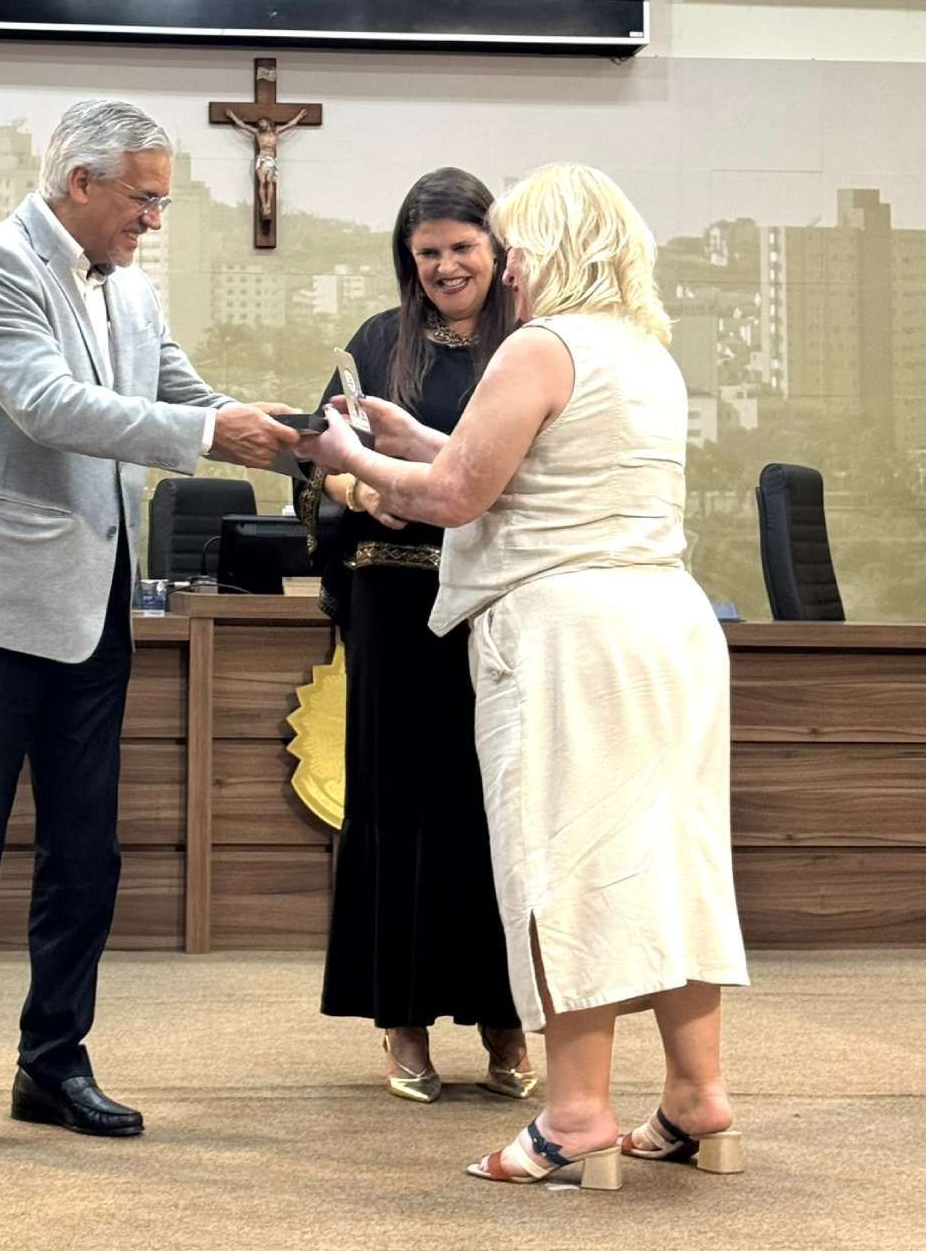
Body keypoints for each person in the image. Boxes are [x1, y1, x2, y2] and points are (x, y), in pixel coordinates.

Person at [310, 164, 749, 1191]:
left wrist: (350, 454)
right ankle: (696, 1097)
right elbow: (510, 463)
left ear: (547, 246)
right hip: (664, 624)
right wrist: (405, 437)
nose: (499, 263)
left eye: (510, 244)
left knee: (561, 867)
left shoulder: (543, 344)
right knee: (670, 863)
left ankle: (573, 1114)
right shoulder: (642, 353)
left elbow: (461, 490)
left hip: (567, 634)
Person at [0, 98, 299, 1162]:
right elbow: (48, 405)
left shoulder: (130, 289)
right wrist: (210, 429)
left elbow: (177, 394)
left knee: (86, 852)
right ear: (82, 182)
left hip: (92, 606)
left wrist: (299, 444)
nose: (153, 219)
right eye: (144, 197)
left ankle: (51, 1058)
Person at [296, 168, 530, 1105]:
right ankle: (402, 1021)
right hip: (395, 611)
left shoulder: (530, 348)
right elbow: (316, 463)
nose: (442, 266)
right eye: (425, 252)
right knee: (399, 809)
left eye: (459, 248)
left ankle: (507, 1016)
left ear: (495, 252)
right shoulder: (377, 344)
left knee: (496, 811)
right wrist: (365, 492)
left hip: (499, 611)